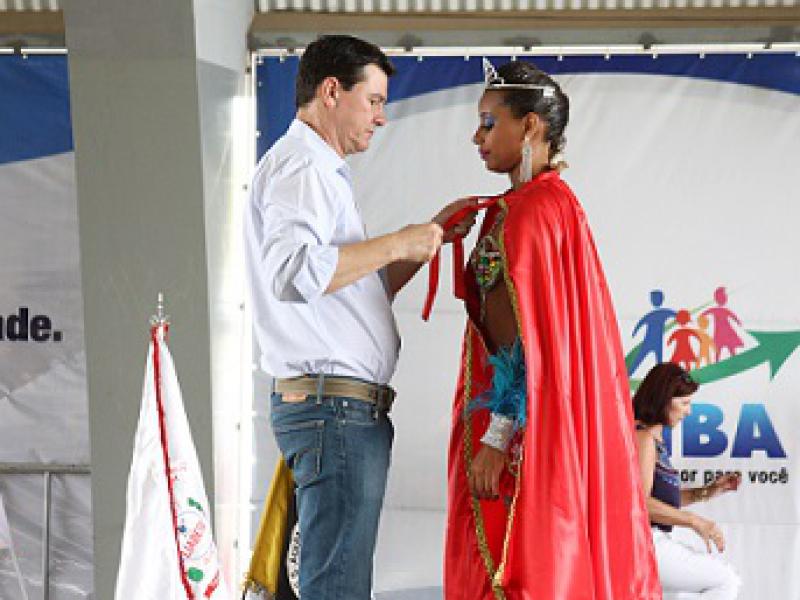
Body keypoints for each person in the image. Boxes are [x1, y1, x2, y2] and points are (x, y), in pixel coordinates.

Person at [243, 35, 475, 599]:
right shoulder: (304, 168)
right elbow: (295, 273)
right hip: (334, 411)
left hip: (335, 411)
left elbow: (349, 294)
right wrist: (397, 242)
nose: (381, 117)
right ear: (331, 92)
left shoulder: (316, 169)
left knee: (335, 578)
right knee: (337, 585)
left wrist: (425, 242)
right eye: (373, 101)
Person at [443, 59, 661, 599]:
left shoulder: (531, 212)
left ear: (530, 126)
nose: (477, 137)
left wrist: (497, 436)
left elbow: (524, 341)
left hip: (521, 433)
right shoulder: (552, 204)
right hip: (538, 424)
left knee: (518, 568)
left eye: (489, 123)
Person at [633, 363, 742, 599]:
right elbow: (640, 503)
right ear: (663, 401)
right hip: (645, 542)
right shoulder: (643, 439)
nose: (689, 411)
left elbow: (660, 499)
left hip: (653, 540)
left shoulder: (652, 439)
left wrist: (706, 492)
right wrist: (694, 521)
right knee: (725, 580)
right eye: (684, 403)